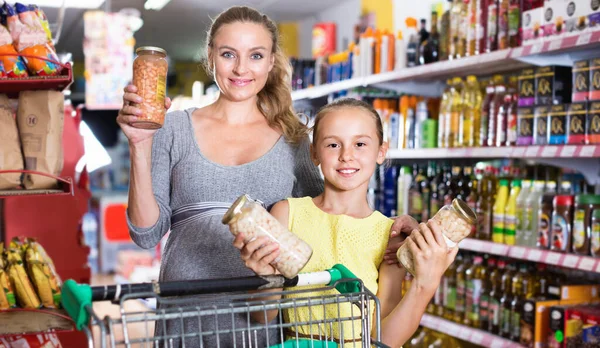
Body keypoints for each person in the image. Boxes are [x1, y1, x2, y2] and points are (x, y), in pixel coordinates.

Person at [117, 6, 416, 347]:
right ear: (210, 56)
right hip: (187, 315)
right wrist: (140, 145)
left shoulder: (293, 138)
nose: (241, 68)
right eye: (228, 54)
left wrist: (390, 227)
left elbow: (332, 214)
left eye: (255, 55)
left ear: (271, 61)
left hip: (264, 322)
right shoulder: (173, 128)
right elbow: (146, 233)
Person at [234, 98, 458, 347]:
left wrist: (426, 284)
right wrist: (267, 277)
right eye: (333, 144)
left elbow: (385, 339)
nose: (346, 156)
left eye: (360, 144)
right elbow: (262, 315)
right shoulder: (287, 214)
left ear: (381, 152)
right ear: (314, 153)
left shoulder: (391, 236)